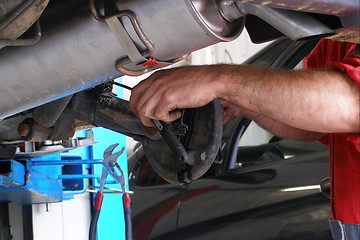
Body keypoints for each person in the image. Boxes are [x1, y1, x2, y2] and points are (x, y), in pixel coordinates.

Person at [129, 39, 360, 239]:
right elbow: (319, 123)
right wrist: (245, 102)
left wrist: (219, 80)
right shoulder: (339, 31)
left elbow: (350, 104)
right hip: (346, 223)